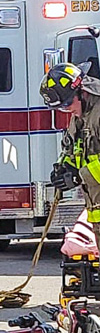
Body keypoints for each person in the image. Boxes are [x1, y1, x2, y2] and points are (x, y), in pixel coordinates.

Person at [41, 62, 100, 243]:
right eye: (62, 107)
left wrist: (79, 175)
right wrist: (64, 167)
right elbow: (74, 148)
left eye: (67, 103)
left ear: (82, 91)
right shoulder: (80, 116)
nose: (67, 110)